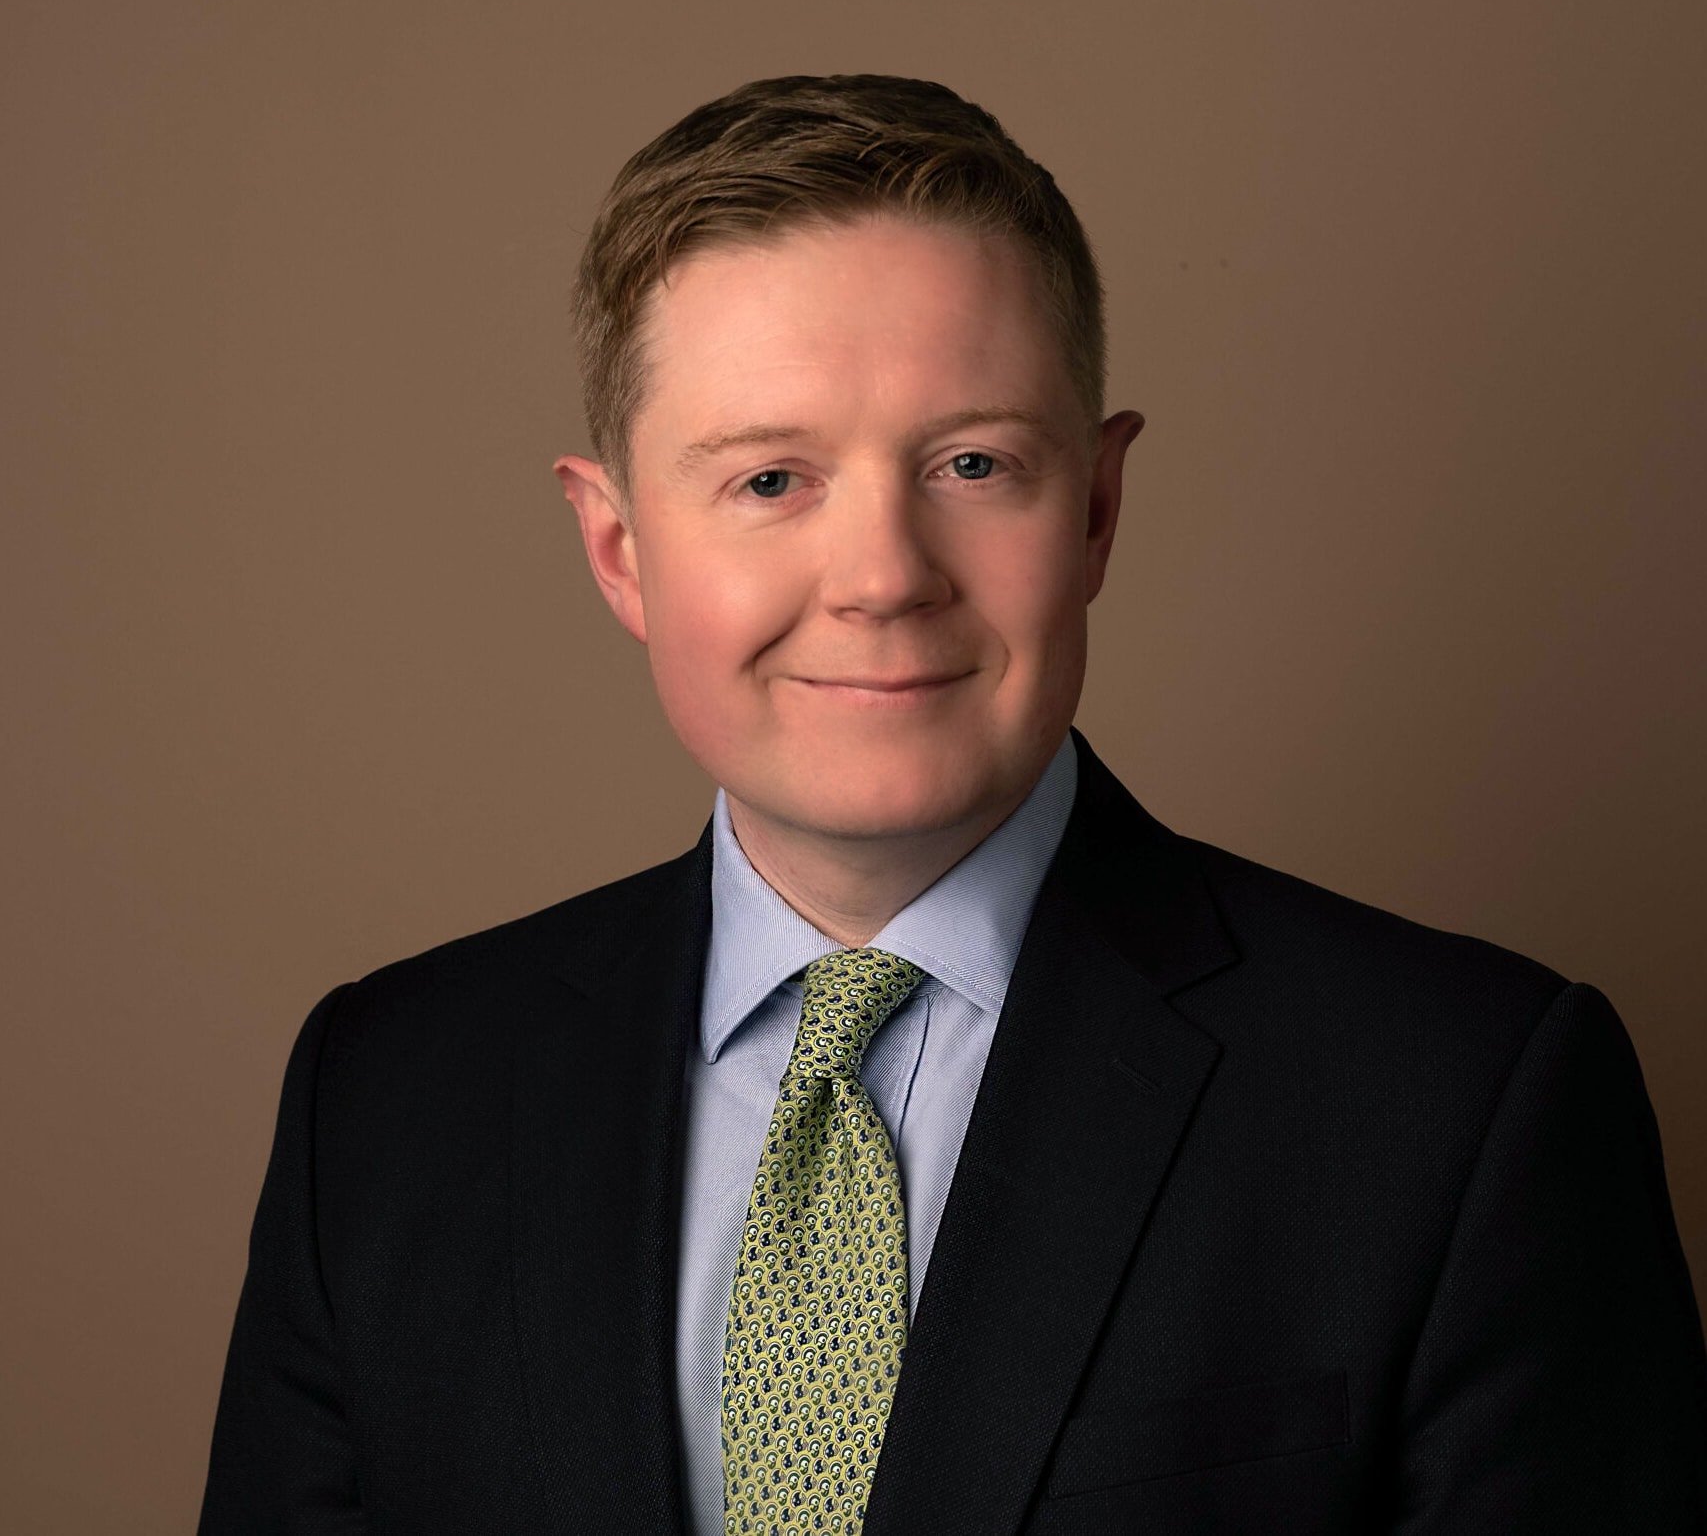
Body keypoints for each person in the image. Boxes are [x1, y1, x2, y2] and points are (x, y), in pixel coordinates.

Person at [197, 74, 1707, 1536]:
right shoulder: (383, 1102)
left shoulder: (1463, 1101)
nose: (883, 577)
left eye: (975, 464)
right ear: (619, 549)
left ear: (1097, 509)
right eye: (771, 481)